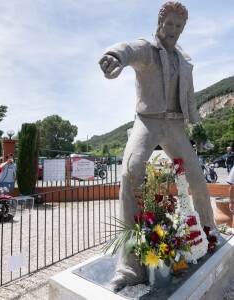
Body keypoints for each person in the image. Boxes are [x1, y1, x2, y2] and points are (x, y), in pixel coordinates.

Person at [99, 1, 216, 287]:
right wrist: (114, 56)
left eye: (179, 26)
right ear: (159, 23)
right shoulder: (146, 49)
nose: (174, 31)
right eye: (170, 25)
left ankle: (209, 232)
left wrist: (196, 126)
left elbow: (188, 97)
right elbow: (126, 49)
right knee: (131, 171)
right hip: (147, 121)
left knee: (197, 178)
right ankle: (129, 268)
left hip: (176, 124)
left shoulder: (185, 59)